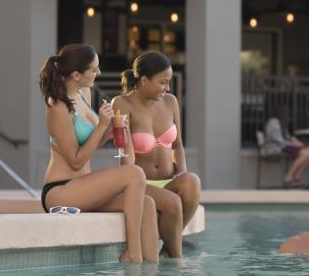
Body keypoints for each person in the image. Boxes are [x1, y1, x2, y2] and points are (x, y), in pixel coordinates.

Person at [40, 44, 158, 264]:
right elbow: (75, 160)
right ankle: (133, 253)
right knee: (134, 174)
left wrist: (112, 130)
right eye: (94, 69)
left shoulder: (83, 95)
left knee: (148, 204)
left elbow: (96, 139)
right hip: (61, 190)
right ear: (76, 75)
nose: (99, 73)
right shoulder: (57, 108)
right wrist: (102, 125)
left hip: (84, 187)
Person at [113, 51, 201, 258]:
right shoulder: (121, 104)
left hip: (168, 181)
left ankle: (169, 247)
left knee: (192, 182)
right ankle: (175, 257)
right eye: (163, 82)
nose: (167, 88)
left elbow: (177, 145)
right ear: (144, 80)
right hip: (142, 184)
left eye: (168, 82)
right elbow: (125, 155)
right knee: (172, 202)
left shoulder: (171, 102)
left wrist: (182, 174)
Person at [262, 105, 309, 186]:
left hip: (284, 146)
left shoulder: (280, 122)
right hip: (276, 147)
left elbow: (287, 136)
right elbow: (278, 140)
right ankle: (289, 176)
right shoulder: (273, 122)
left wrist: (295, 141)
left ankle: (296, 176)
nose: (287, 115)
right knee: (305, 153)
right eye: (286, 112)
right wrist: (293, 144)